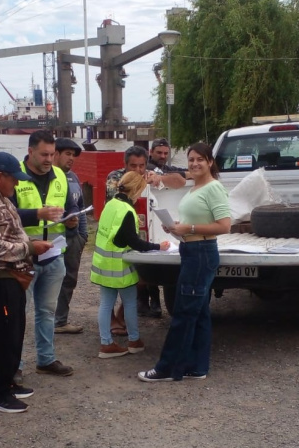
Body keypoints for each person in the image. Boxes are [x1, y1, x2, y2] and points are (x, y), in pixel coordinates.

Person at [0, 151, 53, 413]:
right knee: (5, 334)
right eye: (13, 179)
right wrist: (30, 248)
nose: (16, 184)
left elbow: (10, 231)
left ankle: (10, 381)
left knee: (15, 331)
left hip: (12, 275)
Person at [138, 143, 231, 381]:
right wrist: (174, 228)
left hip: (201, 252)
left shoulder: (213, 188)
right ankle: (197, 366)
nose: (194, 164)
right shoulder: (195, 188)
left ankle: (167, 368)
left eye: (200, 159)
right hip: (191, 249)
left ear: (210, 161)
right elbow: (194, 224)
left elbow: (224, 225)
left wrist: (188, 227)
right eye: (191, 160)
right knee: (198, 312)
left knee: (184, 312)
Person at [12, 130, 78, 377]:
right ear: (30, 152)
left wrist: (71, 219)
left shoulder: (60, 174)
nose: (49, 159)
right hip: (23, 254)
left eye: (52, 154)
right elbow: (5, 213)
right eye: (44, 154)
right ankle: (14, 365)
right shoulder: (14, 175)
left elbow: (71, 206)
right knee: (19, 313)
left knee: (47, 312)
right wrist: (37, 214)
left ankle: (46, 359)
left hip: (53, 254)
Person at [92, 171, 171, 358]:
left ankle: (106, 343)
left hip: (103, 262)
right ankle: (134, 341)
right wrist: (158, 246)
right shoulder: (127, 211)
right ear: (136, 189)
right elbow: (134, 242)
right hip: (120, 265)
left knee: (105, 304)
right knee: (129, 302)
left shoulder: (110, 204)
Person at [106, 146, 184, 324]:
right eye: (133, 166)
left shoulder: (150, 173)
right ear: (125, 165)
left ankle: (126, 314)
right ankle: (111, 320)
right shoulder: (115, 178)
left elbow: (180, 180)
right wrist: (142, 186)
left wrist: (159, 178)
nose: (138, 170)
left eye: (142, 166)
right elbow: (116, 199)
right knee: (113, 281)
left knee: (139, 276)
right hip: (117, 235)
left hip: (140, 232)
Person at [53, 138, 87, 334]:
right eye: (68, 154)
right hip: (54, 238)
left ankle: (61, 320)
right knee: (50, 280)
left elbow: (80, 206)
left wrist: (83, 236)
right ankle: (50, 319)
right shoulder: (49, 179)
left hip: (74, 238)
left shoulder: (73, 177)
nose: (71, 158)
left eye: (73, 155)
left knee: (69, 279)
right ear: (55, 154)